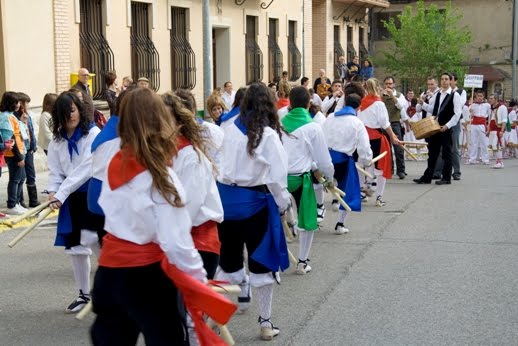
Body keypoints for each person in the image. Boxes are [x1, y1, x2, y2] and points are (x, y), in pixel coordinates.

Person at [90, 87, 235, 345]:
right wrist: (198, 281)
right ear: (161, 121)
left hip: (109, 273)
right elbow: (174, 239)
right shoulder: (161, 176)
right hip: (146, 276)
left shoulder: (115, 162)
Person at [215, 82, 290, 340]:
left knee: (228, 261)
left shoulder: (225, 127)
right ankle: (266, 323)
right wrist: (283, 204)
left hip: (225, 203)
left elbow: (215, 163)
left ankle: (216, 317)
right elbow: (278, 177)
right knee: (261, 264)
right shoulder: (267, 135)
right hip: (255, 204)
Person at [47, 92, 103, 313]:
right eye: (64, 112)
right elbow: (55, 171)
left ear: (80, 108)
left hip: (91, 196)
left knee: (100, 245)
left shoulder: (93, 134)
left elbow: (87, 168)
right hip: (69, 199)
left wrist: (61, 191)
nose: (70, 116)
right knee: (76, 248)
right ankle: (84, 294)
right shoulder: (57, 140)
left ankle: (113, 293)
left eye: (72, 110)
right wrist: (53, 191)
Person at [162, 91, 224, 280]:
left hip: (197, 243)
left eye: (165, 119)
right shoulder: (164, 153)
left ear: (178, 123)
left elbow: (187, 209)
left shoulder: (191, 156)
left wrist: (165, 238)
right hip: (174, 240)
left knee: (188, 309)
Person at [281, 86, 333, 274]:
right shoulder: (313, 127)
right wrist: (329, 179)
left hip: (278, 180)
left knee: (274, 219)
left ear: (290, 102)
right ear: (309, 103)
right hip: (300, 179)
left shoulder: (278, 123)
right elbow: (324, 160)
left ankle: (276, 263)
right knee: (307, 220)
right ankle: (302, 261)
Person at [323, 94, 372, 234]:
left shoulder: (330, 117)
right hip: (343, 160)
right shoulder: (356, 122)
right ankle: (340, 223)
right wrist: (367, 160)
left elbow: (321, 136)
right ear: (359, 107)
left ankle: (323, 207)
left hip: (326, 158)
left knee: (319, 186)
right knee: (349, 191)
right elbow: (364, 147)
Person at [358, 78, 401, 206]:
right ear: (378, 88)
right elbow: (385, 123)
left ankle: (363, 192)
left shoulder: (361, 103)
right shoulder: (379, 104)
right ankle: (379, 196)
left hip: (362, 138)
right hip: (376, 138)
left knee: (362, 165)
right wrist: (393, 136)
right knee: (381, 167)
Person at [414, 72, 462, 185]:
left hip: (446, 128)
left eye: (446, 79)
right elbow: (433, 109)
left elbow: (457, 114)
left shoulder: (455, 95)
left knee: (446, 153)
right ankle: (427, 177)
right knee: (432, 153)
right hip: (435, 127)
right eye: (442, 79)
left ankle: (446, 178)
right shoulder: (438, 94)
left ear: (450, 81)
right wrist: (423, 104)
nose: (444, 81)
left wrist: (447, 126)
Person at [0, 91, 27, 214]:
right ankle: (12, 204)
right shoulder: (6, 117)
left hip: (19, 151)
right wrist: (19, 157)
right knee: (15, 179)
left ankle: (16, 202)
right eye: (16, 102)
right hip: (13, 154)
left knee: (21, 178)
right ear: (11, 103)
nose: (18, 104)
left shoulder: (11, 115)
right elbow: (10, 138)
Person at [381, 76, 409, 179]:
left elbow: (401, 106)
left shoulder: (399, 95)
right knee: (386, 149)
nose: (388, 85)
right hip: (384, 125)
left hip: (395, 123)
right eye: (386, 84)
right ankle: (390, 170)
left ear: (393, 85)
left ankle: (401, 170)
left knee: (398, 148)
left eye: (390, 84)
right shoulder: (381, 95)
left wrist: (392, 96)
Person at [15, 92, 40, 208]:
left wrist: (34, 146)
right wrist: (22, 121)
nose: (28, 106)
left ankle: (33, 200)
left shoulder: (28, 115)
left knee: (31, 174)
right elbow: (19, 134)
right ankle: (20, 201)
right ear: (20, 104)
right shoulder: (15, 117)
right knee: (20, 175)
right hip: (20, 151)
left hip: (29, 149)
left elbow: (31, 132)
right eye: (26, 103)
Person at [466, 90, 490, 165]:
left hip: (482, 124)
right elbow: (469, 116)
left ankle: (485, 159)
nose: (479, 97)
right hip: (474, 124)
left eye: (481, 96)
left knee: (483, 142)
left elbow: (489, 116)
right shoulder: (472, 105)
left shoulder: (487, 105)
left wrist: (488, 126)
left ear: (483, 97)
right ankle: (472, 158)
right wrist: (470, 111)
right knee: (473, 142)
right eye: (478, 96)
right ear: (475, 97)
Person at [487, 94, 507, 169]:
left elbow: (504, 120)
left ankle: (500, 162)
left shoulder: (502, 107)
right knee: (493, 146)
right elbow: (490, 120)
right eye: (489, 98)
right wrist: (488, 130)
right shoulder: (491, 109)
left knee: (498, 146)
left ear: (496, 99)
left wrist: (502, 130)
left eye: (491, 98)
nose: (490, 100)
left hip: (498, 129)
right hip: (492, 130)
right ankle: (497, 161)